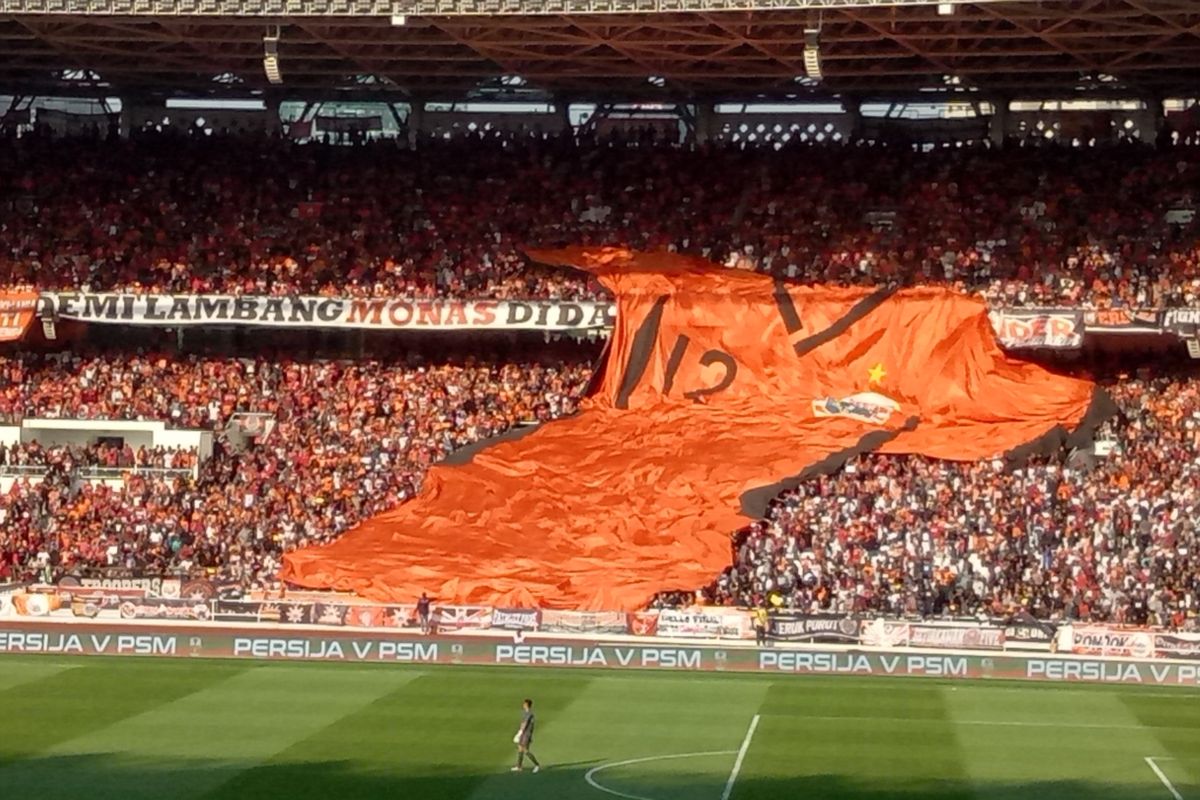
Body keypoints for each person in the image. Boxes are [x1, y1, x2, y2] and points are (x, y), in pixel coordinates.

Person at [511, 698, 541, 773]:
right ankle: (519, 766)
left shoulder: (529, 714)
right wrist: (519, 732)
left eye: (524, 704)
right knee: (520, 748)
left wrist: (520, 732)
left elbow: (525, 723)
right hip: (523, 733)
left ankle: (537, 765)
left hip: (527, 734)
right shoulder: (525, 713)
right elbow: (522, 723)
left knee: (525, 750)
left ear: (527, 705)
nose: (523, 705)